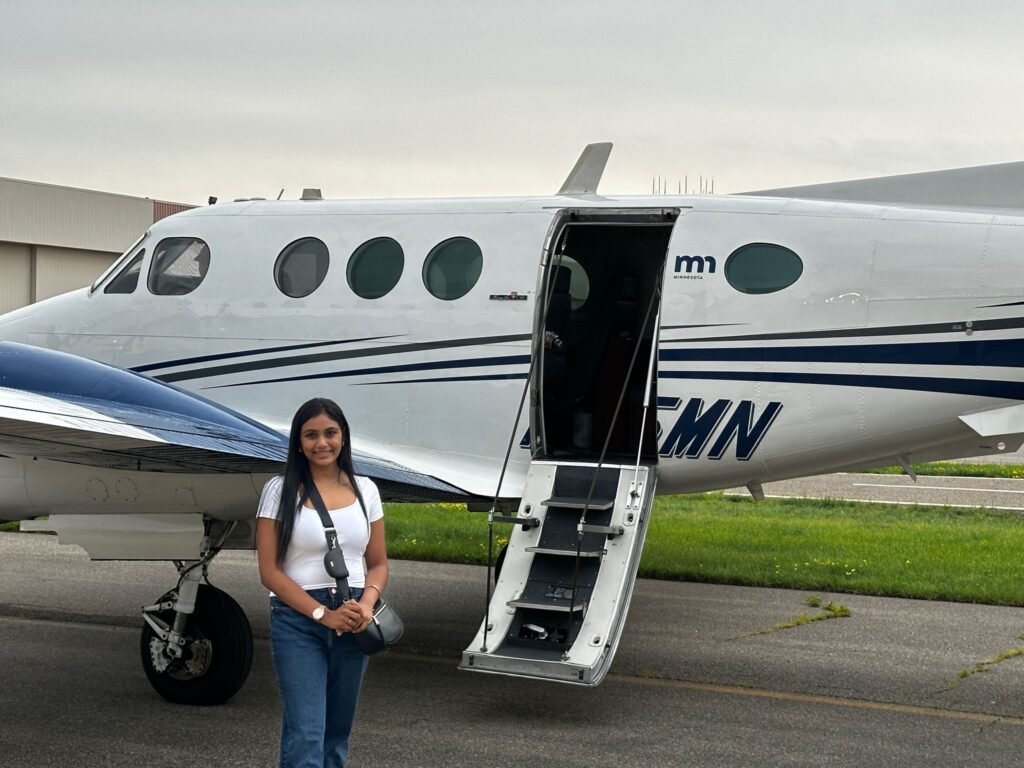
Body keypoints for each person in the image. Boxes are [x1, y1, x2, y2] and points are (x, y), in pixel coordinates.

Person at [256, 397, 389, 768]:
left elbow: (377, 563)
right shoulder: (279, 490)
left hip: (354, 617)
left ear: (343, 437)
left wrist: (366, 605)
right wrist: (322, 614)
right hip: (297, 619)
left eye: (330, 433)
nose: (322, 443)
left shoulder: (366, 490)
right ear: (299, 443)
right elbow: (269, 571)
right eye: (311, 435)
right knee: (306, 735)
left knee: (335, 735)